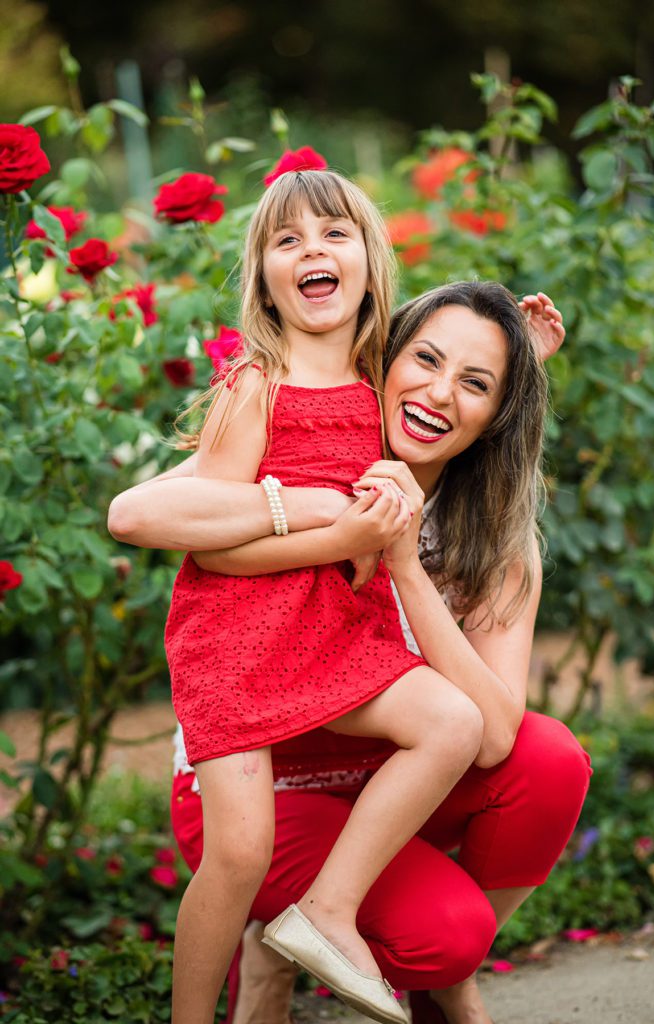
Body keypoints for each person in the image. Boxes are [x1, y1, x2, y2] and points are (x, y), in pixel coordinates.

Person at [110, 280, 590, 1024]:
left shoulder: (493, 543)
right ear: (382, 361)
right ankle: (289, 942)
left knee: (549, 760)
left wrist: (401, 560)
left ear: (498, 415)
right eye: (423, 359)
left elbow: (495, 737)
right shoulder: (297, 439)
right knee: (447, 937)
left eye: (475, 385)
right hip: (261, 785)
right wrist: (321, 512)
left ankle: (377, 951)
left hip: (387, 782)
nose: (437, 393)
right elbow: (138, 511)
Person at [132, 170, 503, 1024]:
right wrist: (342, 537)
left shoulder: (381, 386)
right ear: (264, 273)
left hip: (336, 631)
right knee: (239, 851)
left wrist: (523, 349)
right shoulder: (253, 385)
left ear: (371, 264)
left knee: (452, 723)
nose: (312, 252)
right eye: (287, 240)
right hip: (234, 640)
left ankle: (327, 911)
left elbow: (448, 425)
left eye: (334, 235)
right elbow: (211, 544)